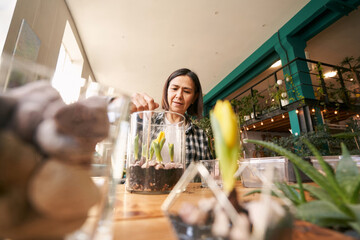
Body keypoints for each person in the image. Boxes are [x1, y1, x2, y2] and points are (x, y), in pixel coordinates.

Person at [131, 68, 213, 166]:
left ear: (194, 98)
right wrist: (128, 108)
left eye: (186, 91)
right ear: (167, 92)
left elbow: (209, 171)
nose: (179, 95)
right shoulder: (147, 121)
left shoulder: (199, 134)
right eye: (174, 89)